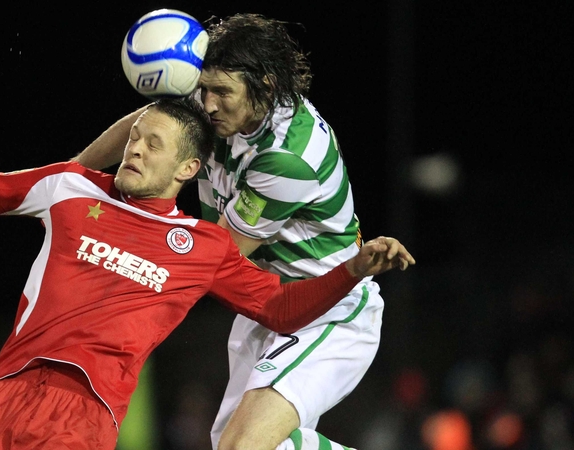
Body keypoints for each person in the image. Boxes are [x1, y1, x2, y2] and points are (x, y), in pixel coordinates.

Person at [0, 98, 414, 450]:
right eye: (133, 138)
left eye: (153, 144)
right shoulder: (71, 188)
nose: (134, 149)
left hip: (84, 415)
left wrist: (354, 268)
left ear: (187, 167)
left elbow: (281, 310)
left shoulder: (204, 245)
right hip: (0, 387)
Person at [73, 13, 392, 450]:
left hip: (325, 309)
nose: (207, 105)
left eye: (222, 92)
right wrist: (71, 176)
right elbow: (146, 126)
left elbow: (216, 256)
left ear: (265, 86)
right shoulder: (220, 101)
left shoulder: (288, 159)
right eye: (204, 89)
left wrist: (121, 271)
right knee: (233, 445)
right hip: (265, 305)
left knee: (243, 447)